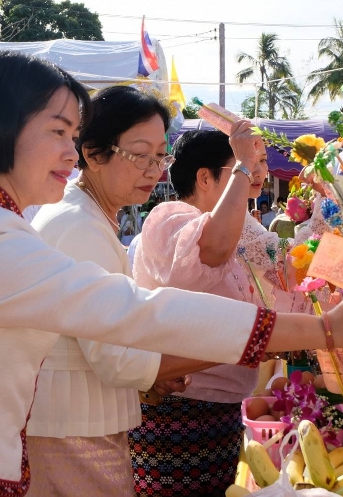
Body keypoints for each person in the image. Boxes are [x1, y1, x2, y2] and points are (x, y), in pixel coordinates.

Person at [0, 51, 343, 497]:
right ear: (1, 128)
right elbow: (138, 313)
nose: (71, 153)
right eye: (59, 133)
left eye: (74, 134)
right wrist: (322, 331)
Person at [27, 85, 213, 497]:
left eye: (160, 155)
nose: (155, 169)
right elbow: (116, 360)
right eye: (139, 154)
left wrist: (151, 377)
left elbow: (106, 338)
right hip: (70, 431)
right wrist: (243, 344)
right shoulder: (78, 224)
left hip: (76, 424)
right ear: (93, 154)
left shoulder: (87, 216)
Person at [131, 127, 321, 495]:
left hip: (224, 412)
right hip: (179, 412)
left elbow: (285, 263)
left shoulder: (240, 227)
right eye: (244, 166)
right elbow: (212, 250)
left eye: (260, 163)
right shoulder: (170, 217)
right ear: (205, 178)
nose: (257, 174)